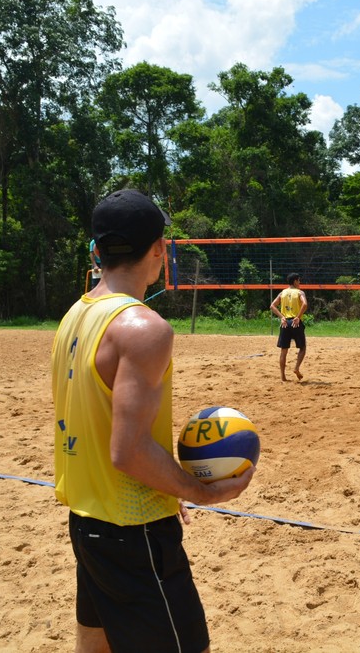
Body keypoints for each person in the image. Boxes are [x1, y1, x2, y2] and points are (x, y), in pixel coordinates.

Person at [51, 188, 255, 653]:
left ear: (97, 251)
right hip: (134, 532)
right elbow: (128, 451)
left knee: (95, 646)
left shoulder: (73, 316)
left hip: (87, 522)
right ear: (160, 249)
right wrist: (201, 490)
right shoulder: (144, 329)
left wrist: (166, 487)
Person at [270, 272, 308, 382]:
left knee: (284, 350)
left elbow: (272, 306)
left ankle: (283, 376)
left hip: (285, 323)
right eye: (299, 280)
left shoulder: (283, 292)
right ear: (295, 281)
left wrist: (282, 317)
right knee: (302, 348)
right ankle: (296, 368)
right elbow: (305, 304)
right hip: (296, 322)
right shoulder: (300, 292)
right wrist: (298, 317)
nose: (300, 282)